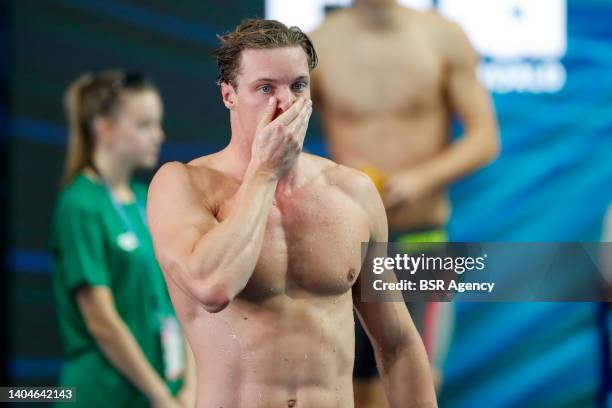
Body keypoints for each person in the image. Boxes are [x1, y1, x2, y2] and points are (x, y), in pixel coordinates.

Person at [147, 19, 437, 408]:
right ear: (229, 95)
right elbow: (212, 288)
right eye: (265, 88)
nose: (286, 103)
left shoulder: (352, 193)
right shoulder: (183, 185)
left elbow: (397, 345)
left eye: (298, 85)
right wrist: (264, 173)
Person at [309, 1, 500, 405]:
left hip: (419, 238)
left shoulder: (443, 36)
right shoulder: (317, 45)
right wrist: (334, 175)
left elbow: (485, 138)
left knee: (415, 385)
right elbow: (276, 131)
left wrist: (419, 180)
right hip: (346, 236)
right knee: (351, 391)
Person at [50, 70, 195, 408]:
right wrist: (159, 395)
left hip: (162, 393)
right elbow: (101, 321)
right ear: (104, 128)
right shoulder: (80, 205)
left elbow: (184, 298)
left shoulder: (149, 199)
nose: (158, 135)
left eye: (157, 123)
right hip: (102, 395)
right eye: (144, 125)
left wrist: (189, 386)